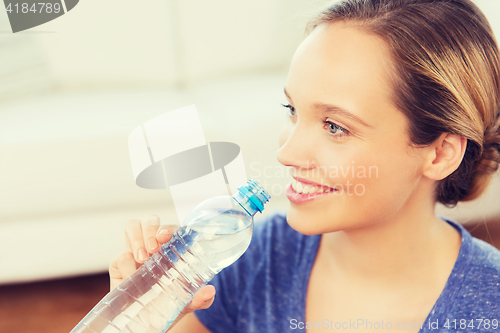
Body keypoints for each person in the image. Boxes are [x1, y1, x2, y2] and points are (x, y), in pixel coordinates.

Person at [109, 0, 500, 331]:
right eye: (292, 110)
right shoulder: (254, 259)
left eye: (335, 126)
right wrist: (139, 312)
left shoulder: (489, 307)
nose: (287, 154)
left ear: (441, 152)